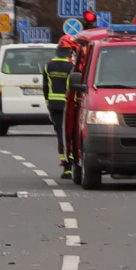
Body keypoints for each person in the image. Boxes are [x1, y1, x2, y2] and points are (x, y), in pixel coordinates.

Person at [43, 36, 77, 178]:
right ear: (69, 52)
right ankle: (72, 163)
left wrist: (48, 103)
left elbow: (45, 87)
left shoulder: (49, 65)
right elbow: (73, 88)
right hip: (68, 106)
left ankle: (66, 167)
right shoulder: (72, 67)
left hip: (54, 105)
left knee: (60, 135)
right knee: (70, 134)